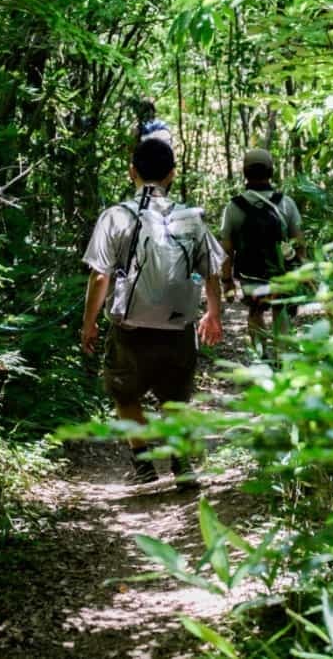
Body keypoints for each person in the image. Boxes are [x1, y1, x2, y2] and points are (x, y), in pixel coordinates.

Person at [81, 138, 224, 488]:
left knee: (124, 394)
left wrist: (88, 324)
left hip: (130, 328)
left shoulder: (116, 215)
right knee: (175, 397)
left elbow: (100, 275)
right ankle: (181, 461)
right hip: (178, 328)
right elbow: (213, 271)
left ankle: (144, 463)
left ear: (132, 171)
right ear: (173, 174)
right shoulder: (191, 219)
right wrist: (213, 314)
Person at [220, 148, 304, 358]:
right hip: (281, 271)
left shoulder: (234, 207)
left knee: (255, 311)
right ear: (271, 172)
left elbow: (227, 249)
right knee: (280, 311)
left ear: (245, 173)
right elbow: (299, 242)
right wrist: (302, 271)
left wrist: (227, 280)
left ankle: (261, 355)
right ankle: (282, 358)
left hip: (250, 274)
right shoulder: (286, 203)